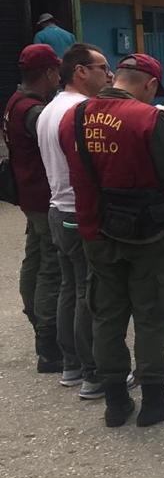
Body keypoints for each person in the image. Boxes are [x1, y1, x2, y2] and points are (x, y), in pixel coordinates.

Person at [60, 53, 164, 427]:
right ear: (150, 84)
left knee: (107, 315)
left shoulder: (75, 117)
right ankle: (153, 398)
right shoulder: (148, 117)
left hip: (95, 232)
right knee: (152, 313)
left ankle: (115, 402)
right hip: (149, 236)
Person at [37, 43, 114, 397]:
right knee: (89, 293)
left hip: (58, 209)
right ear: (80, 71)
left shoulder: (50, 109)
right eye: (101, 67)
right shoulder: (82, 110)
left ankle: (70, 364)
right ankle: (93, 372)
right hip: (78, 210)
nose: (108, 73)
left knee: (70, 288)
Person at [4, 44, 64, 373]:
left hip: (28, 196)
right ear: (49, 73)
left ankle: (35, 319)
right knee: (50, 268)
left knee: (35, 258)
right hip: (43, 196)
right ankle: (48, 343)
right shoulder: (34, 112)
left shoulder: (14, 102)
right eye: (56, 70)